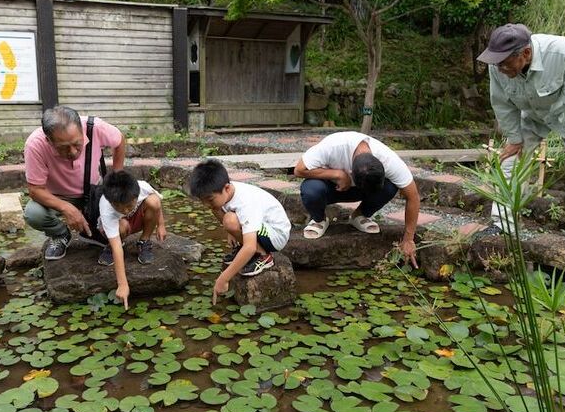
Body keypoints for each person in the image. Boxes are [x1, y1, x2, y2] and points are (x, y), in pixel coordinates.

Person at [477, 23, 565, 259]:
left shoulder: (563, 50)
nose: (500, 68)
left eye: (504, 63)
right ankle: (503, 224)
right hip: (532, 112)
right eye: (497, 63)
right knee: (511, 160)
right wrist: (514, 139)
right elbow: (501, 103)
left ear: (526, 53)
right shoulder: (498, 66)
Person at [293, 131, 419, 267]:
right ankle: (319, 219)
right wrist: (337, 174)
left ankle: (359, 216)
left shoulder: (388, 159)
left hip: (363, 189)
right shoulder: (333, 146)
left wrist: (408, 239)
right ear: (351, 171)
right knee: (311, 190)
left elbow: (413, 196)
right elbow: (299, 170)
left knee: (390, 187)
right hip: (330, 187)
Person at [23, 105, 125, 260]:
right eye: (63, 148)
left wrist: (117, 176)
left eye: (77, 144)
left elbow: (119, 140)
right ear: (48, 140)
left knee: (120, 223)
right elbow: (35, 190)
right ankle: (61, 234)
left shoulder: (95, 127)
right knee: (33, 214)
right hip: (57, 196)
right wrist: (66, 208)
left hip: (93, 191)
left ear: (83, 131)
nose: (72, 152)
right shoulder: (35, 145)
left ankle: (94, 231)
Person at [189, 160, 291, 305]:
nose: (206, 204)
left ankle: (264, 256)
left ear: (227, 188)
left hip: (276, 235)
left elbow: (249, 246)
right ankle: (246, 249)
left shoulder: (246, 202)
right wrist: (232, 232)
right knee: (222, 213)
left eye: (210, 199)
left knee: (230, 221)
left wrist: (224, 279)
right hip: (262, 228)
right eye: (202, 201)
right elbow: (224, 210)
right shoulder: (225, 194)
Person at [96, 170, 166, 310]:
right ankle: (109, 245)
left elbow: (157, 205)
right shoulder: (106, 206)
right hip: (117, 227)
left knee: (153, 201)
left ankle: (144, 241)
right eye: (119, 207)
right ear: (111, 202)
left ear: (136, 195)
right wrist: (122, 284)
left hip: (136, 221)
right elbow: (118, 249)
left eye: (129, 206)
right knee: (121, 227)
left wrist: (161, 225)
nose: (126, 210)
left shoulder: (142, 187)